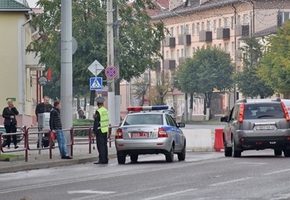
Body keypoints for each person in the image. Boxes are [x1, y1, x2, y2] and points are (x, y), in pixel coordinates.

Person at [93, 96, 109, 164]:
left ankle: (102, 160)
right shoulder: (105, 110)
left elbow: (96, 122)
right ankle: (105, 159)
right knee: (105, 145)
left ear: (97, 104)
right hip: (105, 129)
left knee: (100, 146)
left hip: (100, 130)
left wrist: (94, 131)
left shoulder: (98, 111)